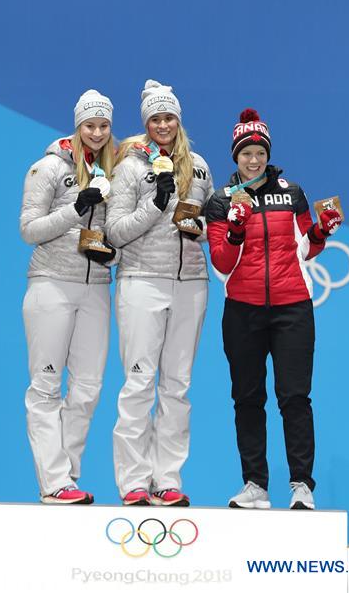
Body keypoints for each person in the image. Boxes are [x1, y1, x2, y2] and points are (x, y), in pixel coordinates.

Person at [204, 108, 342, 511]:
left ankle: (301, 485)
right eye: (246, 153)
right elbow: (221, 262)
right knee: (247, 399)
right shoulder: (221, 200)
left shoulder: (292, 193)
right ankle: (255, 485)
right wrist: (235, 229)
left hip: (292, 308)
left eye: (260, 152)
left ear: (268, 154)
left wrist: (321, 230)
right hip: (242, 311)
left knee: (295, 397)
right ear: (235, 156)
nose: (254, 160)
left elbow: (307, 248)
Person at [106, 79, 213, 507]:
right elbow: (115, 231)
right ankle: (134, 480)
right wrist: (155, 206)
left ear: (178, 120)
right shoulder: (130, 166)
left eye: (169, 117)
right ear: (146, 123)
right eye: (155, 119)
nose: (163, 125)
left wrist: (200, 228)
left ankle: (166, 479)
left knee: (177, 387)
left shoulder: (199, 167)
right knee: (139, 382)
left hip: (191, 283)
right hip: (141, 280)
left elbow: (213, 223)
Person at [20, 89, 117, 505]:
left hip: (96, 287)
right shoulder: (48, 168)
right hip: (51, 283)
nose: (96, 132)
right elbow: (29, 229)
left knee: (88, 388)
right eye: (89, 125)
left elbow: (114, 232)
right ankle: (54, 482)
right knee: (45, 385)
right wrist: (75, 208)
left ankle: (68, 478)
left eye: (103, 125)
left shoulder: (114, 170)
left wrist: (111, 252)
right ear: (77, 126)